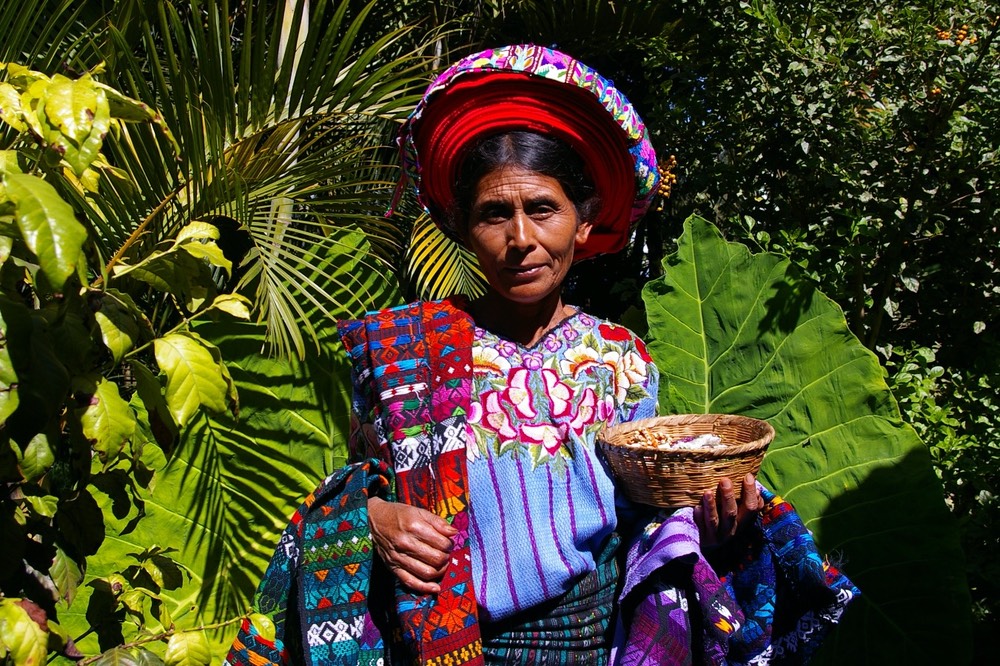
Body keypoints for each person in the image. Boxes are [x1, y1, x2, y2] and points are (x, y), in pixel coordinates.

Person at [226, 44, 857, 666]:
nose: (521, 239)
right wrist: (376, 518)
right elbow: (363, 484)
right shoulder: (400, 353)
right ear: (461, 229)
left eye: (543, 209)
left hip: (595, 649)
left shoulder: (622, 363)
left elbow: (645, 528)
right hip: (449, 649)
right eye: (494, 213)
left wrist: (714, 531)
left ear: (583, 224)